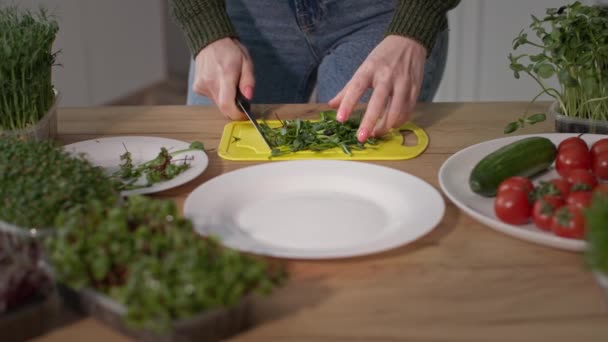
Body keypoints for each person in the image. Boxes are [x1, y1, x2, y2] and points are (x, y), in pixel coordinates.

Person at [169, 0, 460, 142]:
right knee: (219, 161)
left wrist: (415, 24)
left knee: (368, 163)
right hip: (249, 11)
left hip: (384, 13)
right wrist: (203, 24)